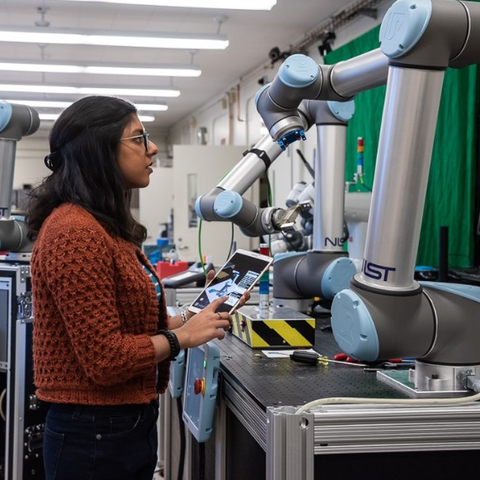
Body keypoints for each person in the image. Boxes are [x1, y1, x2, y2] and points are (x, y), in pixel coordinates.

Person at [26, 95, 248, 480]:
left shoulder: (101, 227)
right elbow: (105, 358)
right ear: (100, 151)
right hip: (93, 436)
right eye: (139, 138)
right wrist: (183, 339)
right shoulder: (74, 232)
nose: (153, 147)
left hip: (120, 427)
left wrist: (193, 318)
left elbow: (125, 323)